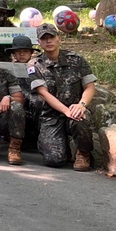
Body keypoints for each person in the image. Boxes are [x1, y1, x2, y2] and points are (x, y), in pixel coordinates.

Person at [30, 23, 97, 171]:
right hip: (51, 115)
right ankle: (59, 146)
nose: (48, 41)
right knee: (54, 160)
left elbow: (89, 86)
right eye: (44, 38)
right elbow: (43, 93)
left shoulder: (77, 60)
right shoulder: (34, 65)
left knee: (81, 118)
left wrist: (82, 105)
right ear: (39, 42)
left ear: (59, 38)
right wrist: (66, 111)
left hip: (75, 109)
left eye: (51, 37)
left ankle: (83, 153)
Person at [9, 34, 43, 149]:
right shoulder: (7, 70)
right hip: (16, 103)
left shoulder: (40, 67)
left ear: (31, 52)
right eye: (18, 52)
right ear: (13, 54)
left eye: (25, 51)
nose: (22, 54)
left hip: (36, 105)